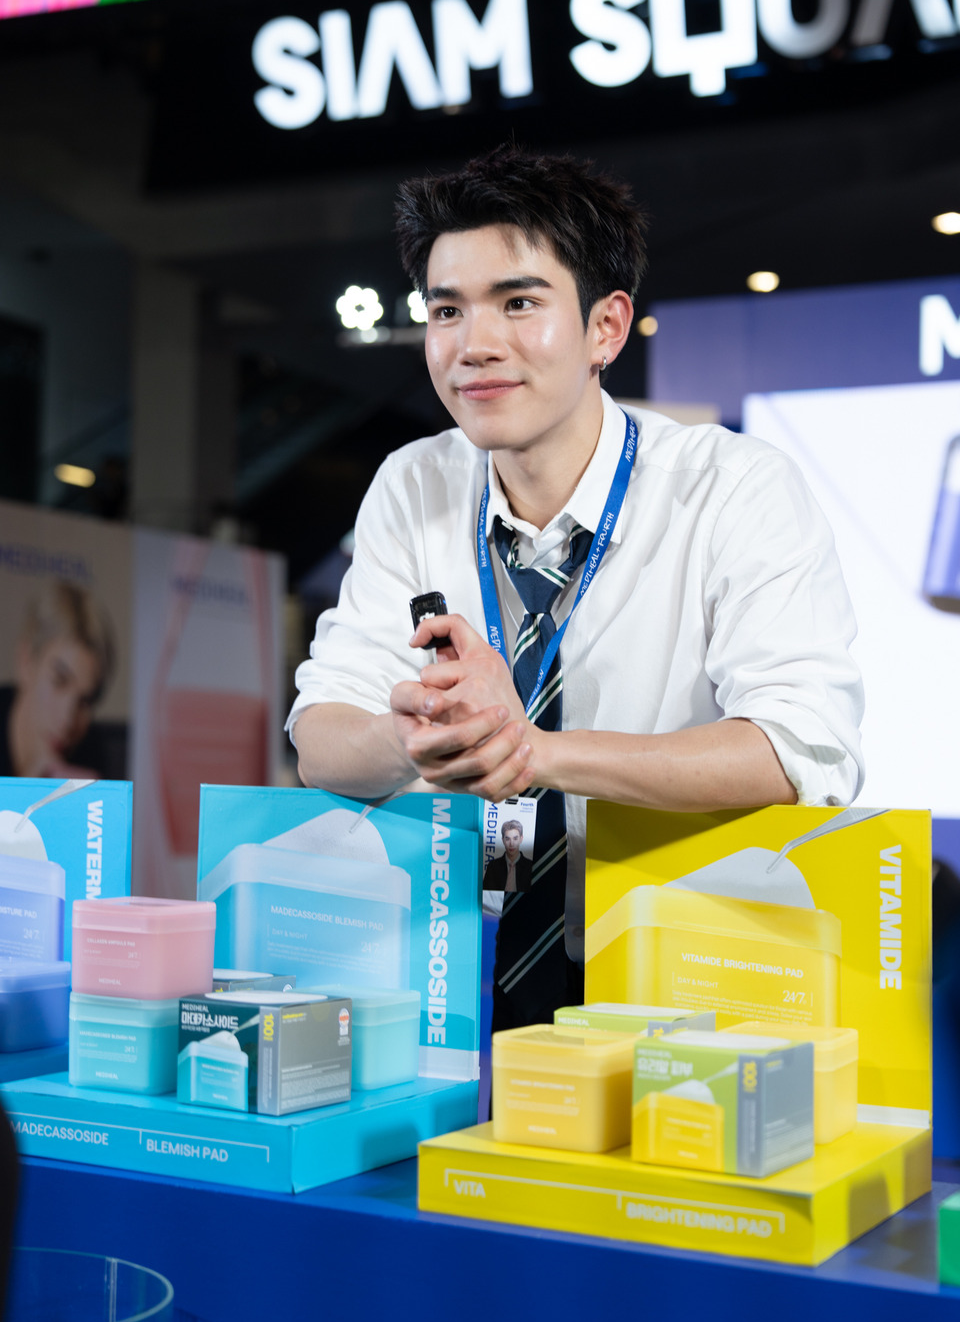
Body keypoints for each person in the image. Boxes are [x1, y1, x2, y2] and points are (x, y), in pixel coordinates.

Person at [288, 146, 864, 1034]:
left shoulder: (732, 488)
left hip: (676, 980)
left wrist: (533, 753)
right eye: (447, 309)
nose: (475, 344)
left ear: (606, 327)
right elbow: (321, 738)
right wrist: (411, 738)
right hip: (450, 977)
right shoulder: (414, 483)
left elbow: (796, 752)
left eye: (518, 302)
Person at [0, 581, 116, 779]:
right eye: (59, 681)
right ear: (26, 662)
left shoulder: (90, 750)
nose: (67, 719)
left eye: (86, 701)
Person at [483, 818, 533, 893]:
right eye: (507, 839)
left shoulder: (530, 866)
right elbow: (487, 894)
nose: (511, 844)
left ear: (521, 839)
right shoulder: (493, 866)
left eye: (515, 838)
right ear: (503, 840)